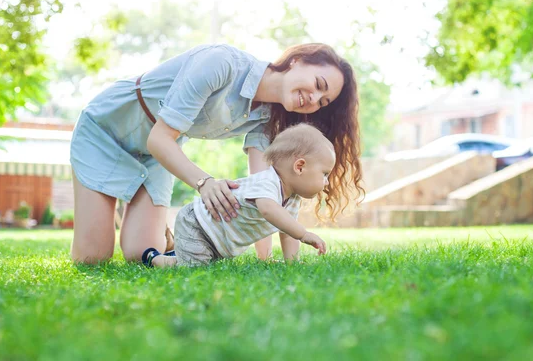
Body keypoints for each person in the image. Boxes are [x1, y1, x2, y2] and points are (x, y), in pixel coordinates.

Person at [69, 43, 363, 264]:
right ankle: (114, 211)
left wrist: (267, 260)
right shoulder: (222, 63)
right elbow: (159, 139)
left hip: (154, 157)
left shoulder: (266, 118)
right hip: (106, 132)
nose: (312, 99)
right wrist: (205, 182)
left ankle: (156, 228)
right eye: (317, 85)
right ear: (298, 61)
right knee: (92, 258)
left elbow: (264, 188)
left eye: (322, 102)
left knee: (138, 254)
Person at [142, 124, 332, 267]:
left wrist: (293, 264)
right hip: (197, 224)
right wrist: (304, 234)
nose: (327, 182)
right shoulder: (267, 182)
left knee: (204, 264)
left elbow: (288, 232)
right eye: (325, 174)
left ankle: (178, 254)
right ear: (299, 166)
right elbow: (268, 209)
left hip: (219, 241)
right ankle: (156, 260)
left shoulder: (293, 199)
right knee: (194, 269)